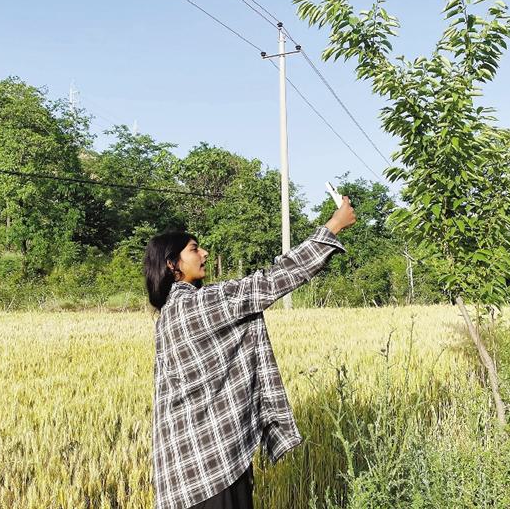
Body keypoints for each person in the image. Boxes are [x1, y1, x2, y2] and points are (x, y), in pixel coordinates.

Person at [143, 197, 356, 509]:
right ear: (172, 264)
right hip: (211, 467)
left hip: (184, 470)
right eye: (193, 249)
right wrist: (333, 226)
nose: (204, 253)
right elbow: (270, 282)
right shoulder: (197, 304)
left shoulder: (168, 314)